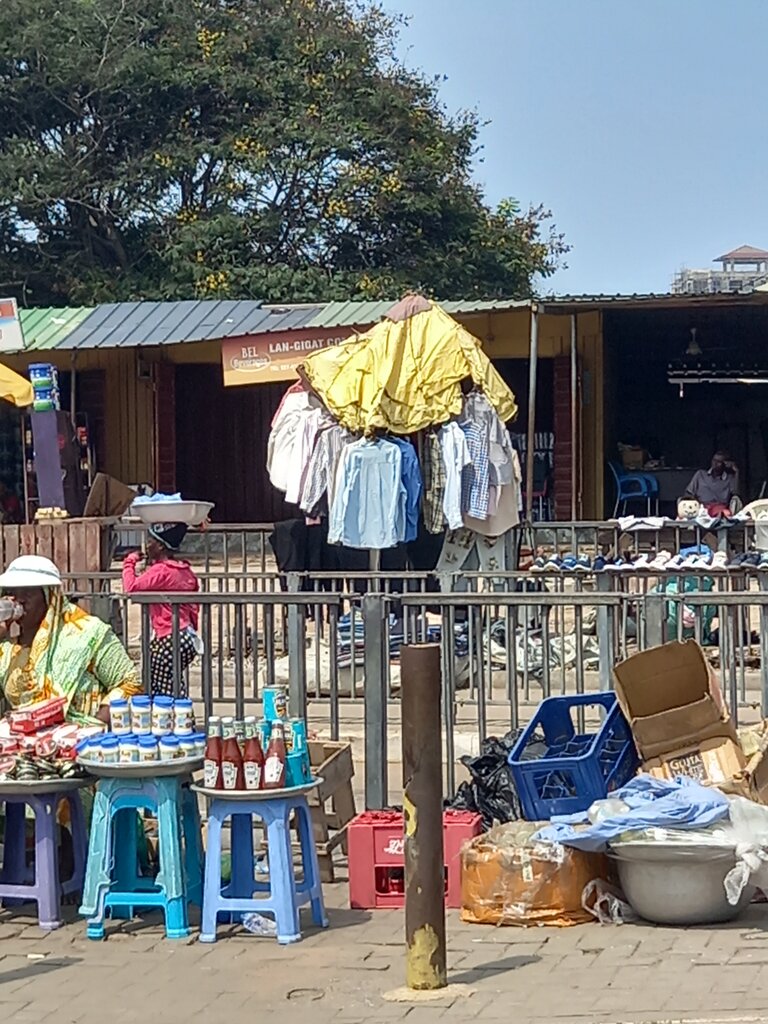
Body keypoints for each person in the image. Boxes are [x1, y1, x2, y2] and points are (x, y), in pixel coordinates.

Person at [0, 555, 141, 725]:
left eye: (27, 593)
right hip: (26, 745)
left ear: (49, 597)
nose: (17, 600)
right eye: (11, 593)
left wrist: (90, 729)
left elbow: (130, 684)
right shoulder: (8, 651)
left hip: (81, 744)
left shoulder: (88, 634)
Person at [122, 523, 200, 697]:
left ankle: (174, 720)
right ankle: (180, 717)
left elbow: (131, 586)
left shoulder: (162, 571)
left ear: (161, 546)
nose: (147, 545)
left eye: (151, 541)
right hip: (187, 636)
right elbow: (194, 606)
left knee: (162, 688)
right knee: (170, 681)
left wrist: (129, 562)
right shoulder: (186, 571)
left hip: (169, 636)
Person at [684, 452, 739, 516]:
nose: (715, 463)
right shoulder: (700, 474)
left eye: (719, 462)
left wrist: (736, 472)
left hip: (720, 510)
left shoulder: (729, 478)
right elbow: (689, 492)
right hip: (700, 508)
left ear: (725, 464)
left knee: (725, 514)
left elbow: (736, 493)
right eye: (714, 460)